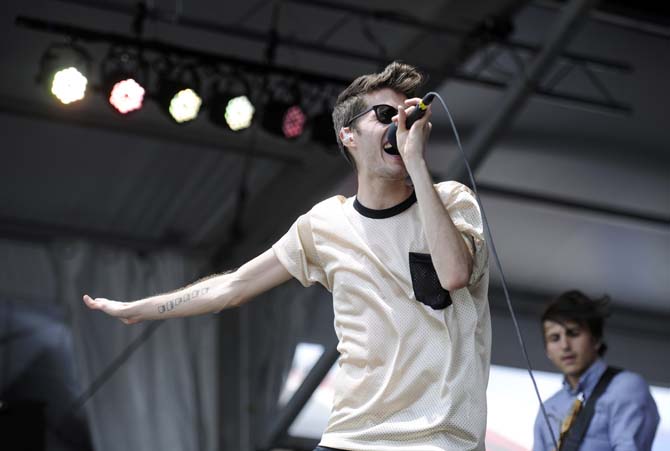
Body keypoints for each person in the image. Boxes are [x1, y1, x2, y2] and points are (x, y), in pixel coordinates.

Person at [84, 61, 491, 451]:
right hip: (351, 437)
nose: (397, 125)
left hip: (437, 440)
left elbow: (454, 274)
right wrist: (141, 309)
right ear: (348, 135)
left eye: (405, 115)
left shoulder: (451, 201)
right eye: (384, 114)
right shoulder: (324, 224)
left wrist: (418, 164)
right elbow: (234, 285)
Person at [533, 290, 659, 451]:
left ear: (596, 338)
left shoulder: (625, 387)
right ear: (548, 351)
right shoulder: (549, 408)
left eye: (573, 333)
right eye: (554, 338)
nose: (565, 345)